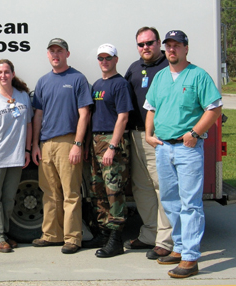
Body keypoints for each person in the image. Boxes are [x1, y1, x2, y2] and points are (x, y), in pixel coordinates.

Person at [144, 30, 222, 278]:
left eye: (177, 45)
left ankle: (190, 257)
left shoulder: (198, 76)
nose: (172, 50)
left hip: (187, 148)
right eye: (168, 46)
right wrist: (148, 135)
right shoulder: (160, 77)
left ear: (186, 48)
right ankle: (177, 247)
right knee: (170, 201)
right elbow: (151, 108)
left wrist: (195, 133)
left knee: (190, 204)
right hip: (164, 148)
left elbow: (214, 108)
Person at [31, 38, 92, 254]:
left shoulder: (77, 79)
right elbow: (38, 115)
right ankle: (51, 235)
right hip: (46, 144)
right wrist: (35, 144)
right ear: (48, 55)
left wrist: (77, 144)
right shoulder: (43, 82)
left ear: (67, 54)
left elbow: (84, 114)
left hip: (68, 141)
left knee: (71, 193)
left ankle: (73, 238)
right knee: (49, 192)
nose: (55, 55)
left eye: (60, 51)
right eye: (52, 51)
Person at [123, 27, 173, 260]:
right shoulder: (134, 69)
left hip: (159, 138)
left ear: (159, 42)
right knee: (141, 188)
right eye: (141, 44)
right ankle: (150, 233)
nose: (145, 48)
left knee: (162, 189)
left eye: (149, 43)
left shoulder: (170, 67)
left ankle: (165, 240)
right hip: (135, 136)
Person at [83, 43, 133, 258]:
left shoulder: (120, 84)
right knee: (98, 189)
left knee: (114, 190)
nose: (104, 62)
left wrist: (112, 146)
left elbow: (123, 117)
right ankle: (103, 231)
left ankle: (116, 238)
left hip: (112, 140)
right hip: (96, 140)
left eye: (108, 58)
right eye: (101, 58)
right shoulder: (97, 85)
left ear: (116, 59)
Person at [0, 59, 33, 253]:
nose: (3, 75)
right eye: (0, 72)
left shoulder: (22, 97)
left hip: (17, 157)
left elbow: (28, 125)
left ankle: (4, 233)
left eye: (7, 72)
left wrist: (27, 150)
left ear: (12, 73)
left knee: (9, 199)